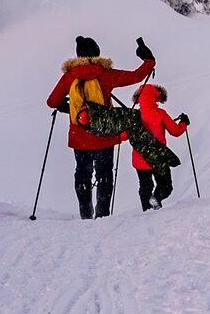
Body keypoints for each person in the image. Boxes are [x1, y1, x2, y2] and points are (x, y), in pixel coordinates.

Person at [46, 35, 155, 219]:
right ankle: (102, 216)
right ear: (97, 52)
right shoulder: (106, 74)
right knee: (104, 174)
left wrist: (69, 107)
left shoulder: (69, 77)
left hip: (79, 137)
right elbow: (136, 76)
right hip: (104, 137)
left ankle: (85, 214)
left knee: (82, 173)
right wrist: (148, 60)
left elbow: (52, 102)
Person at [133, 83, 188, 211]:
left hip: (140, 157)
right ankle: (156, 199)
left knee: (145, 187)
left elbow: (124, 136)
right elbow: (175, 131)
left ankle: (146, 211)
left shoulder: (134, 115)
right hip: (158, 156)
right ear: (156, 96)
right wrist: (184, 123)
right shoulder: (161, 114)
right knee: (166, 186)